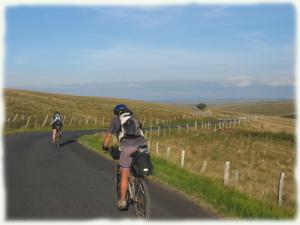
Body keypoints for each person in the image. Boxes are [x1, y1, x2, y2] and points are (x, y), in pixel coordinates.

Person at [102, 104, 146, 210]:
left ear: (117, 113)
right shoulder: (135, 118)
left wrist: (104, 146)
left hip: (127, 147)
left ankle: (122, 201)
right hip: (142, 146)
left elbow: (108, 135)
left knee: (124, 174)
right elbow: (142, 132)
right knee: (138, 167)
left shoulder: (116, 120)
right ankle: (140, 185)